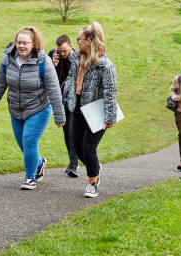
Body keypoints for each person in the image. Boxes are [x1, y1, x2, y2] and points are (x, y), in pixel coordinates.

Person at [0, 26, 66, 190]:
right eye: (18, 42)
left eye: (25, 43)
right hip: (16, 109)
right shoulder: (7, 59)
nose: (21, 46)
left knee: (29, 141)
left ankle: (30, 178)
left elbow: (54, 90)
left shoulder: (43, 62)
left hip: (39, 108)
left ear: (34, 43)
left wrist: (59, 116)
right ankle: (40, 162)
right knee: (24, 144)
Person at [63, 22, 117, 198]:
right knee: (77, 149)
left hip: (96, 112)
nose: (77, 41)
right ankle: (95, 166)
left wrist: (110, 117)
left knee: (88, 147)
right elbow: (71, 80)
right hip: (77, 109)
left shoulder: (105, 66)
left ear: (89, 41)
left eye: (79, 39)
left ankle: (93, 183)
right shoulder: (75, 59)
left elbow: (110, 93)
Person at [48, 34, 79, 177]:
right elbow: (48, 80)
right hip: (61, 101)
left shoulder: (78, 58)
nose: (62, 54)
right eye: (59, 51)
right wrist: (52, 66)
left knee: (73, 131)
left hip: (75, 100)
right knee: (67, 132)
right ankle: (73, 162)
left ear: (71, 46)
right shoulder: (53, 56)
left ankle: (74, 164)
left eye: (65, 51)